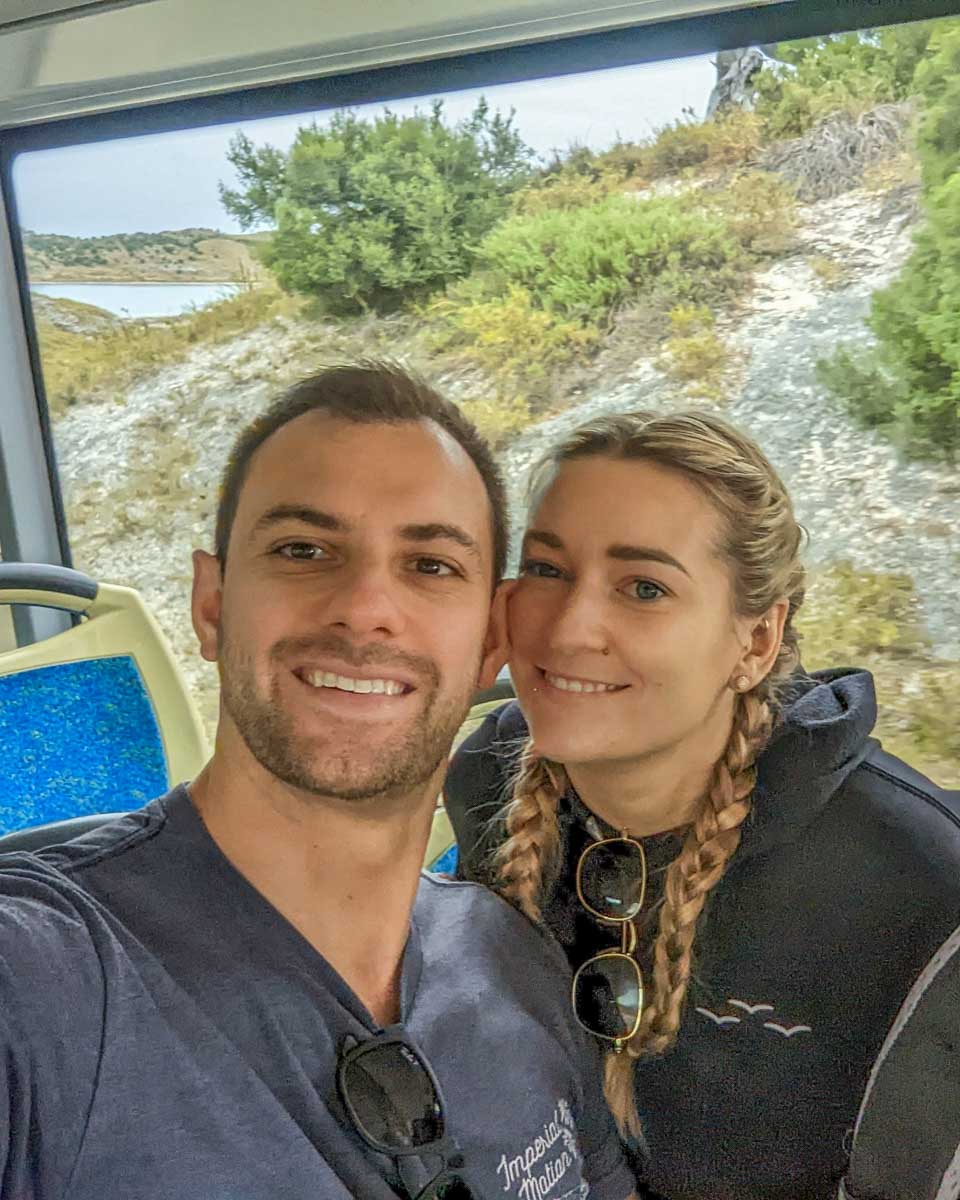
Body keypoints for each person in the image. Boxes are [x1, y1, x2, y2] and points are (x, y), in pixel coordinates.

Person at [0, 363, 638, 1200]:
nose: (365, 605)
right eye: (304, 551)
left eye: (431, 565)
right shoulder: (46, 985)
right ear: (214, 605)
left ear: (492, 639)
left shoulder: (514, 961)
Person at [444, 409, 960, 1200]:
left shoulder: (914, 875)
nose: (570, 627)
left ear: (754, 642)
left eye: (644, 587)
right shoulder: (482, 781)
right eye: (546, 570)